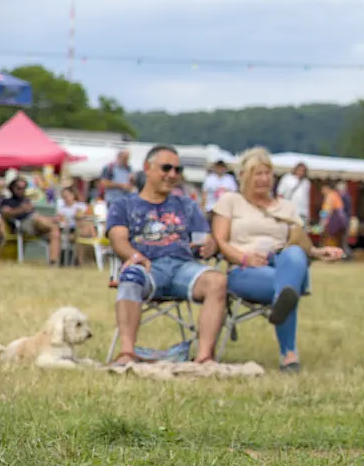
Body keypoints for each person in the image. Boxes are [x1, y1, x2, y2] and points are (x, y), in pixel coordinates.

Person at [212, 147, 344, 372]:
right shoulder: (230, 201)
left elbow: (301, 243)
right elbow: (220, 241)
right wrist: (244, 257)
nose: (264, 179)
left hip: (282, 262)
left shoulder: (286, 207)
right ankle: (289, 353)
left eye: (268, 173)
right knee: (287, 288)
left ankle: (285, 298)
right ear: (243, 176)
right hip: (245, 269)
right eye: (258, 173)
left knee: (293, 255)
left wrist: (319, 252)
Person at [107, 145, 227, 365]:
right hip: (147, 267)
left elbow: (203, 240)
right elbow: (118, 240)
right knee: (130, 276)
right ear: (147, 168)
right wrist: (134, 256)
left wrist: (210, 246)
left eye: (177, 170)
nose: (172, 175)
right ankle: (127, 353)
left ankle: (203, 358)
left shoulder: (187, 205)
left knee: (217, 281)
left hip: (184, 268)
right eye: (166, 168)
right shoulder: (123, 205)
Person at [0, 176, 62, 265]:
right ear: (12, 188)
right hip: (22, 225)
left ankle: (53, 263)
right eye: (19, 188)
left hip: (36, 224)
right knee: (38, 219)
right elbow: (5, 213)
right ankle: (51, 225)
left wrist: (52, 219)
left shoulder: (26, 200)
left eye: (24, 188)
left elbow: (37, 215)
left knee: (55, 231)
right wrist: (21, 209)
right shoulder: (7, 201)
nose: (21, 190)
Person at [276, 162, 313, 228]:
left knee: (301, 231)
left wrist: (308, 214)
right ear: (295, 169)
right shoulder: (287, 178)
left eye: (303, 170)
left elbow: (307, 199)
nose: (301, 172)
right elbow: (280, 194)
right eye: (299, 170)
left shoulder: (306, 182)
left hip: (302, 212)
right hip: (289, 210)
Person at [320, 181, 350, 250]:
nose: (322, 191)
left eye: (323, 189)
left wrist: (322, 223)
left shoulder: (330, 196)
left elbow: (326, 211)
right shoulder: (336, 194)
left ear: (327, 188)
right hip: (342, 221)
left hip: (334, 223)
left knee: (331, 241)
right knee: (340, 242)